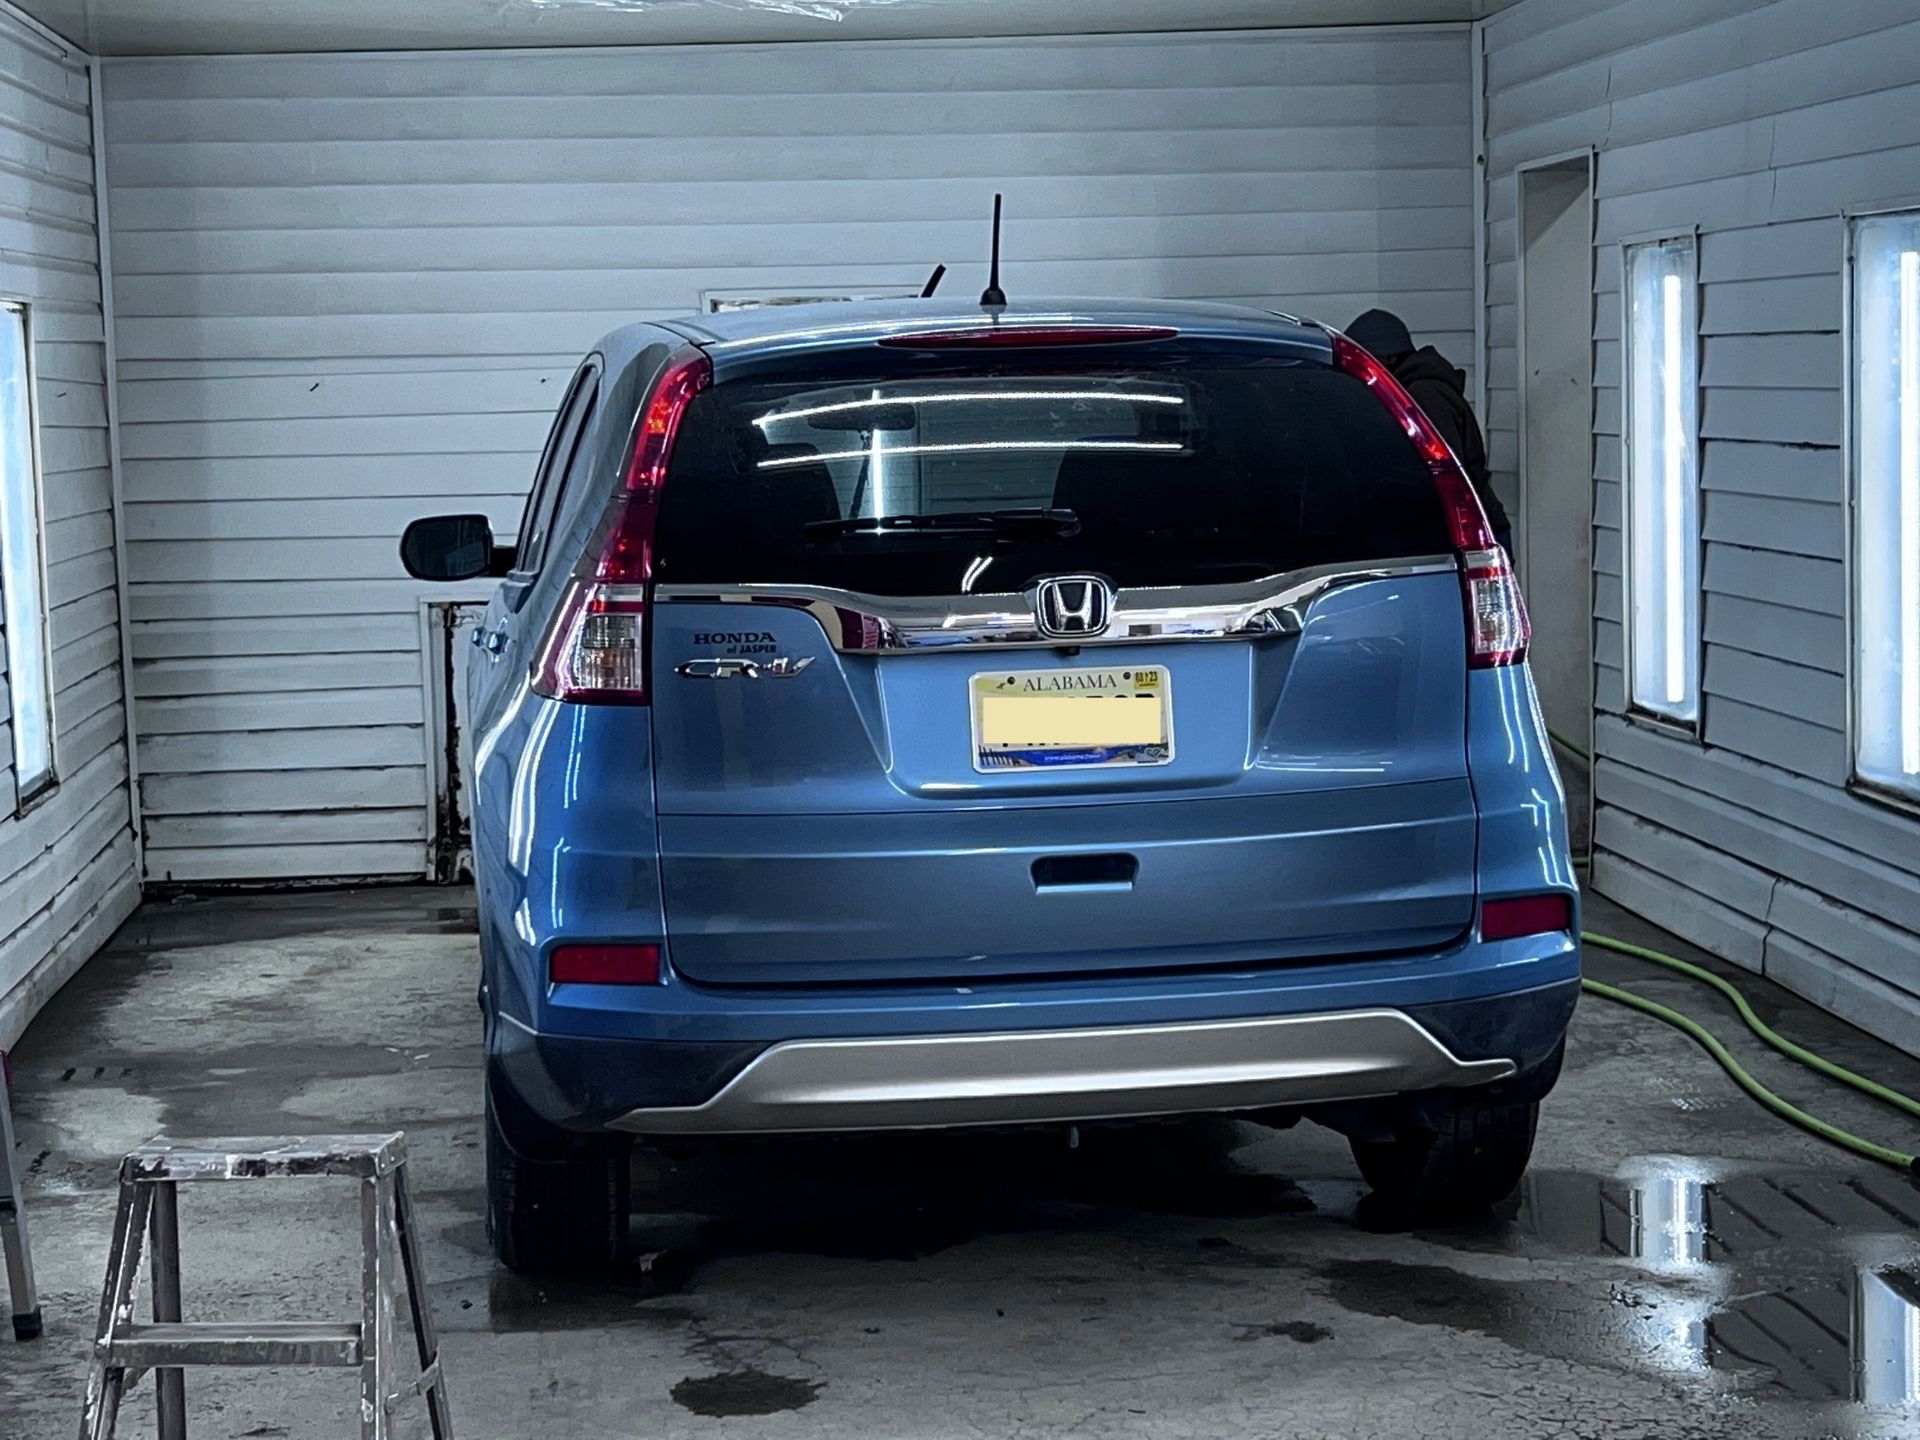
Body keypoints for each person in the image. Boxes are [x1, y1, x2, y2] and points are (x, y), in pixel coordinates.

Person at [1345, 308, 1513, 556]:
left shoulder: (1425, 397)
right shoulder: (1412, 392)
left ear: (1386, 360)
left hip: (1469, 541)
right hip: (1464, 536)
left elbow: (1442, 473)